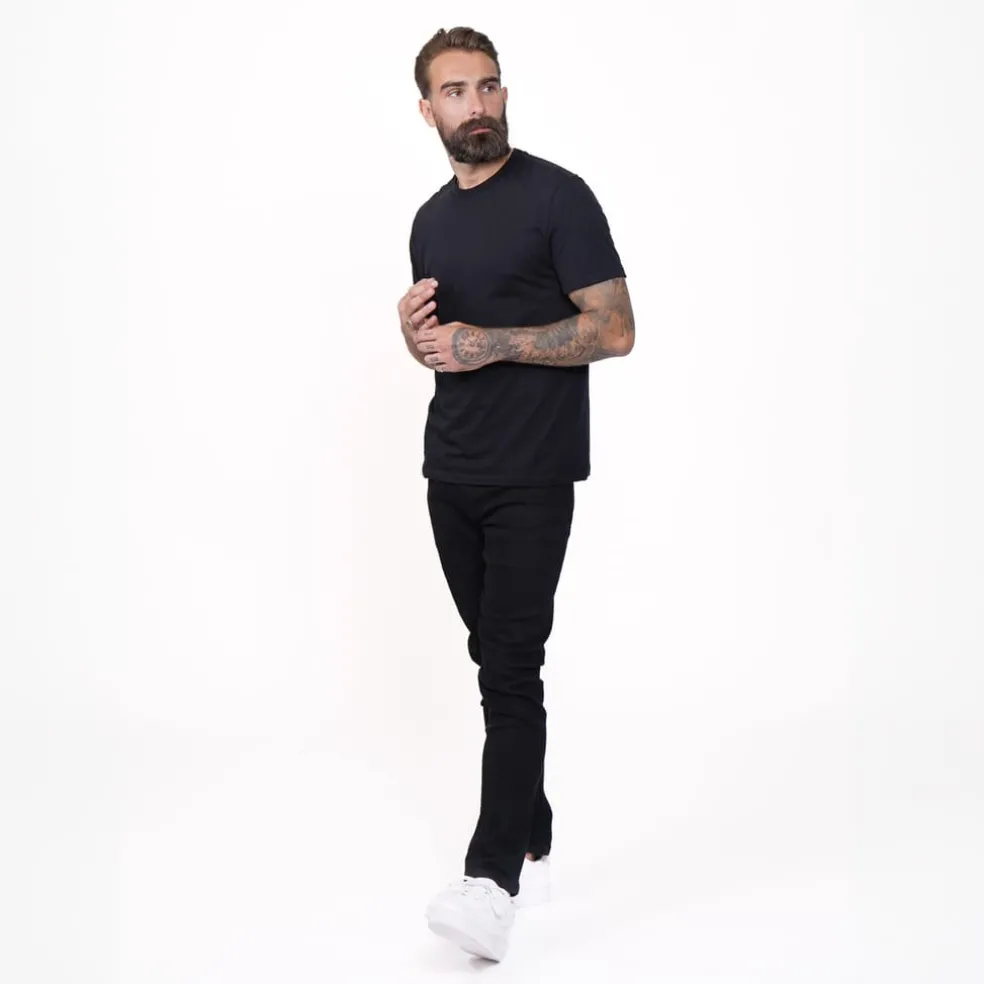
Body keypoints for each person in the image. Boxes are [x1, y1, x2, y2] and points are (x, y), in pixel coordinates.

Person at [397, 26, 635, 962]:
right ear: (429, 111)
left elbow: (614, 329)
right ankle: (530, 812)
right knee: (490, 653)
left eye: (489, 86)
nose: (478, 105)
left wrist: (488, 344)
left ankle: (491, 880)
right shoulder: (428, 220)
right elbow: (442, 346)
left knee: (508, 665)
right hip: (450, 469)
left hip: (533, 473)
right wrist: (415, 335)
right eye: (457, 91)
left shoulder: (558, 197)